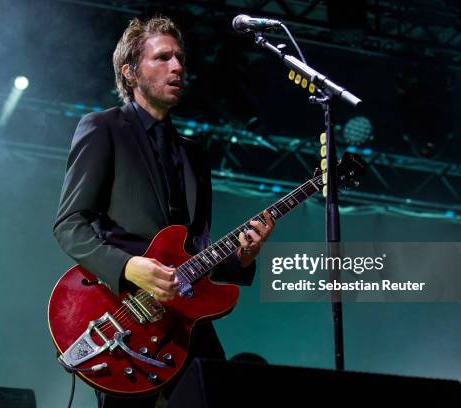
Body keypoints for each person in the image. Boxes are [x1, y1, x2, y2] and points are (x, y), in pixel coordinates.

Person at [53, 15, 275, 407]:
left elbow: (197, 247)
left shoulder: (194, 155)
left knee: (217, 395)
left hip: (183, 317)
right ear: (131, 72)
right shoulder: (103, 128)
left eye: (180, 59)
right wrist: (127, 267)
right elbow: (70, 224)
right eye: (163, 58)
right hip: (123, 311)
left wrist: (242, 257)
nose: (177, 67)